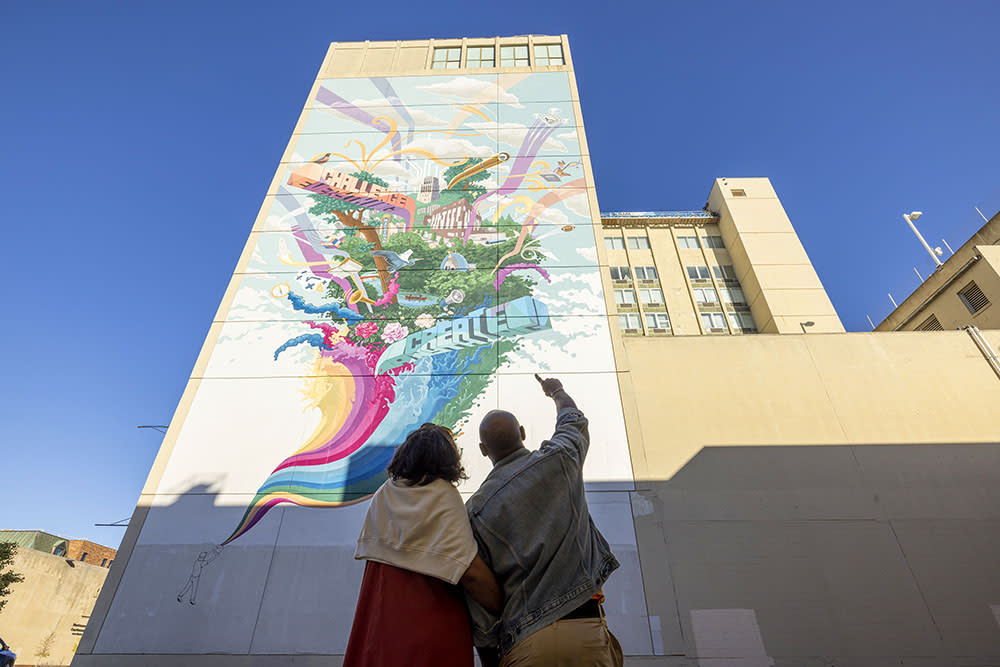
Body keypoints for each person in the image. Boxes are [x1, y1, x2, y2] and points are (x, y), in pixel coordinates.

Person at [466, 375, 623, 667]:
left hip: (525, 643)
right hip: (585, 630)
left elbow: (479, 601)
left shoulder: (475, 512)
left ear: (483, 449)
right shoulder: (561, 458)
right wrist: (556, 391)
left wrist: (491, 658)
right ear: (522, 433)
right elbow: (572, 420)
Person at [343, 423, 502, 667]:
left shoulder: (384, 494)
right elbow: (470, 573)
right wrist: (505, 605)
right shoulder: (442, 495)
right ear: (446, 459)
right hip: (430, 634)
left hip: (380, 629)